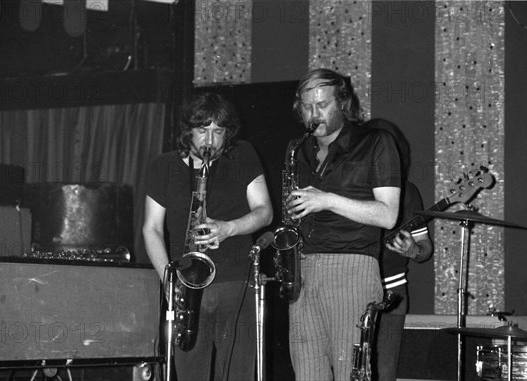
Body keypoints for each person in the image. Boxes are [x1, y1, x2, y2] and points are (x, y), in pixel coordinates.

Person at [143, 92, 273, 381]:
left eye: (218, 132)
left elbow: (265, 212)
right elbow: (151, 229)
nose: (210, 141)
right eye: (203, 131)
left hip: (236, 282)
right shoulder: (163, 166)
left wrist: (229, 228)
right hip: (187, 288)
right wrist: (169, 281)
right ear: (187, 130)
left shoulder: (243, 154)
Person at [284, 68, 402, 381]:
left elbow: (388, 215)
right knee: (307, 374)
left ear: (343, 103)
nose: (314, 114)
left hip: (351, 268)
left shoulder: (376, 142)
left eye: (322, 105)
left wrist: (328, 200)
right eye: (307, 107)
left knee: (352, 373)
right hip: (302, 271)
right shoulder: (299, 150)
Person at [369, 119, 434, 381]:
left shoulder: (408, 192)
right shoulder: (348, 189)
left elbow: (425, 248)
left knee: (385, 370)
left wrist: (413, 251)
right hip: (350, 285)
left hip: (393, 290)